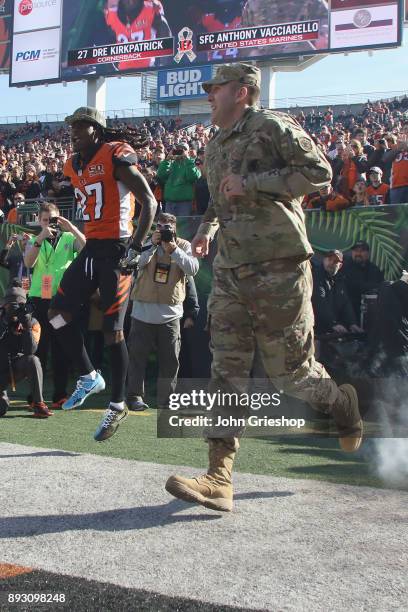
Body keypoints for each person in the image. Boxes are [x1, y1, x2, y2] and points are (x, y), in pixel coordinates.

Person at [165, 63, 363, 514]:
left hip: (279, 265)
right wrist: (207, 228)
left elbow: (319, 174)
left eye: (217, 88)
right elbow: (219, 195)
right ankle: (219, 476)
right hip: (232, 269)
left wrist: (254, 183)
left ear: (244, 91)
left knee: (289, 374)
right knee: (227, 369)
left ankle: (340, 402)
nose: (210, 95)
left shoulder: (272, 126)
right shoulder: (215, 143)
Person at [47, 106, 157, 442]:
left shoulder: (115, 154)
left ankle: (118, 402)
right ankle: (88, 375)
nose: (74, 131)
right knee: (55, 315)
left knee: (113, 331)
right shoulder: (73, 163)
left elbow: (150, 203)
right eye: (72, 127)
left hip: (117, 249)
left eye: (81, 126)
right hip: (92, 247)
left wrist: (135, 249)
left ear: (97, 129)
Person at [127, 212, 199, 411]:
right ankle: (134, 397)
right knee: (137, 359)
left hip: (170, 313)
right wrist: (151, 245)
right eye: (160, 226)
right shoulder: (146, 242)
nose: (163, 230)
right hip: (142, 312)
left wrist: (173, 248)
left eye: (167, 227)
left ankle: (167, 400)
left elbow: (193, 269)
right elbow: (134, 263)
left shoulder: (184, 246)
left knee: (170, 361)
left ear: (174, 228)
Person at [24, 202, 86, 409]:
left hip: (60, 303)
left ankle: (60, 394)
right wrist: (40, 238)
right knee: (39, 349)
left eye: (53, 219)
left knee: (61, 348)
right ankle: (36, 396)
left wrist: (72, 227)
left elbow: (86, 247)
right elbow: (28, 264)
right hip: (40, 304)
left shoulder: (69, 238)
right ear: (39, 221)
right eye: (45, 220)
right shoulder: (34, 240)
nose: (49, 223)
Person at [0, 280, 52, 419]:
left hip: (15, 369)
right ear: (3, 306)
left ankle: (39, 404)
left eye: (18, 306)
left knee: (33, 360)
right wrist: (5, 323)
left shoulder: (32, 323)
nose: (14, 309)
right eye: (11, 306)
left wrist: (26, 326)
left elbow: (31, 351)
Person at [104, 0, 171, 71]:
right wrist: (111, 68)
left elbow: (165, 33)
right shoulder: (112, 12)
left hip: (148, 68)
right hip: (123, 72)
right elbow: (105, 41)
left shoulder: (151, 7)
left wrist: (163, 65)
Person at [312, 250, 361, 336]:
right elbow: (319, 302)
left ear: (340, 265)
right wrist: (333, 323)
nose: (331, 263)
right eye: (329, 259)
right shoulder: (316, 276)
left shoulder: (340, 279)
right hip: (317, 329)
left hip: (334, 328)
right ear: (324, 260)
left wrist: (352, 323)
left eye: (335, 261)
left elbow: (345, 303)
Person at [340, 240, 384, 322]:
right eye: (356, 251)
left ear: (368, 253)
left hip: (370, 312)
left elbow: (380, 288)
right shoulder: (344, 267)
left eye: (362, 251)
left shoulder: (374, 269)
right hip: (347, 309)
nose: (358, 254)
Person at [157, 143, 201, 217]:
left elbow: (193, 177)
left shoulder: (192, 162)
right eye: (178, 149)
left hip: (184, 203)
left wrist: (187, 160)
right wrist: (167, 159)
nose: (180, 151)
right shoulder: (170, 163)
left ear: (188, 151)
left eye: (183, 149)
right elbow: (161, 175)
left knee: (182, 227)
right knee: (169, 226)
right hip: (170, 202)